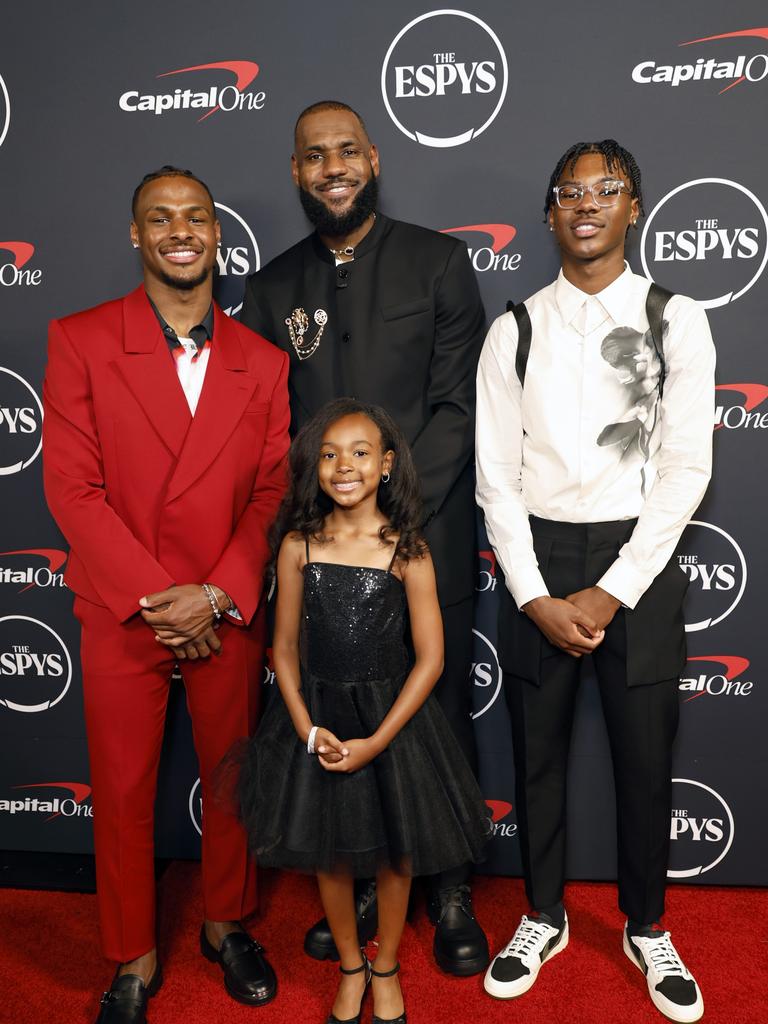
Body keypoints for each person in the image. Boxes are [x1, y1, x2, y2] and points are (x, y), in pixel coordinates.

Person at [239, 99, 489, 976]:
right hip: (321, 561)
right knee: (339, 715)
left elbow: (462, 407)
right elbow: (266, 439)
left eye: (348, 151)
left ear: (374, 159)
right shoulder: (269, 291)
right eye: (314, 156)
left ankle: (449, 884)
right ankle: (360, 878)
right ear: (297, 171)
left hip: (423, 542)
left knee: (436, 716)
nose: (332, 166)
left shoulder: (439, 262)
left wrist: (395, 522)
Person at [42, 166, 290, 1023]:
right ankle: (131, 956)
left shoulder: (263, 360)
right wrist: (162, 600)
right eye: (160, 218)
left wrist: (215, 595)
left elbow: (271, 493)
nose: (180, 230)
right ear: (136, 236)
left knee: (231, 781)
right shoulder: (79, 339)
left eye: (195, 217)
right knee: (119, 787)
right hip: (127, 606)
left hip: (224, 607)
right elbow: (72, 490)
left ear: (216, 236)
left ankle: (227, 924)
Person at [475, 140, 714, 1023]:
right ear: (548, 215)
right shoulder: (515, 328)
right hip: (539, 555)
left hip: (639, 566)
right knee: (536, 760)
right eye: (569, 192)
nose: (586, 203)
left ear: (634, 207)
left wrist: (613, 589)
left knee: (644, 763)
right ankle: (542, 915)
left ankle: (646, 926)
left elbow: (687, 467)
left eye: (606, 189)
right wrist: (535, 594)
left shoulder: (675, 318)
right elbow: (495, 475)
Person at [236, 398, 490, 1024]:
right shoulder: (299, 545)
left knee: (394, 854)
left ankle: (386, 968)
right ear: (314, 467)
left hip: (390, 724)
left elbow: (430, 659)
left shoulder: (408, 549)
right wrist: (303, 727)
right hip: (320, 716)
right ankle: (351, 966)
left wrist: (377, 741)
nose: (342, 466)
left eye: (358, 453)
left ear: (386, 463)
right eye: (328, 454)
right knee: (330, 853)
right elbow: (285, 647)